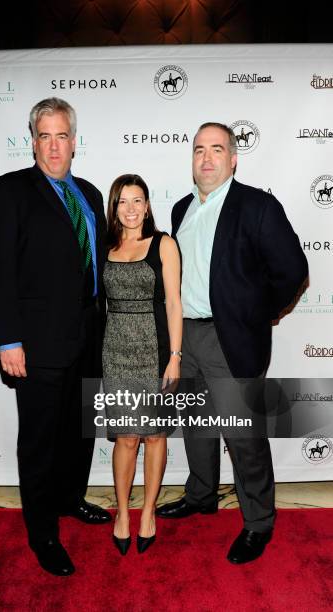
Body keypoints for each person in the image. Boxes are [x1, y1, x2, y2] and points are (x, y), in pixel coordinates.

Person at [156, 122, 308, 564]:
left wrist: (258, 314)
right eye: (199, 149)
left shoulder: (257, 205)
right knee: (197, 426)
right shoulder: (182, 208)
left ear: (233, 158)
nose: (206, 158)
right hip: (185, 337)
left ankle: (258, 521)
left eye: (217, 149)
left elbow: (292, 269)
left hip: (231, 340)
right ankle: (201, 494)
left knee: (244, 437)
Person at [0, 97, 111, 577]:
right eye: (45, 136)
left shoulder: (91, 194)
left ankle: (69, 499)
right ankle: (42, 533)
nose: (54, 146)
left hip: (89, 336)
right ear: (32, 140)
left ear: (74, 142)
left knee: (79, 431)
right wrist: (8, 339)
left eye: (62, 136)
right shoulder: (10, 190)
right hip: (35, 342)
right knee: (39, 439)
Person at [102, 174, 182, 555]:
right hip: (115, 350)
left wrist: (175, 356)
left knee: (154, 436)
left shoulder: (164, 244)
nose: (131, 209)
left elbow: (174, 304)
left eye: (138, 201)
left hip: (154, 350)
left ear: (148, 205)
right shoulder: (104, 245)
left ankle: (148, 512)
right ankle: (122, 513)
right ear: (114, 207)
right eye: (123, 201)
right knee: (126, 437)